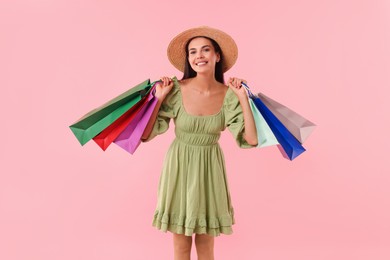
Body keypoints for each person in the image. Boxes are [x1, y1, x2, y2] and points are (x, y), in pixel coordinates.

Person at [141, 26, 258, 260]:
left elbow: (251, 139)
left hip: (210, 171)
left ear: (217, 56)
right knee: (181, 248)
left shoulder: (229, 95)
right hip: (179, 168)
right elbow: (145, 134)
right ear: (188, 59)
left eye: (205, 50)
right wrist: (159, 98)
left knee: (206, 248)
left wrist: (243, 99)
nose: (199, 56)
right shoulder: (174, 90)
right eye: (193, 52)